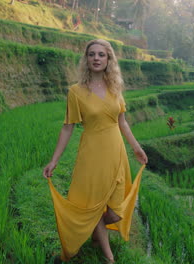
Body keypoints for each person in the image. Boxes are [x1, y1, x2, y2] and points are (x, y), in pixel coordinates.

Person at [43, 39, 148, 263]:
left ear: (109, 60)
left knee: (117, 209)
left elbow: (123, 121)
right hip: (91, 153)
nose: (96, 59)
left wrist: (136, 147)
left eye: (101, 55)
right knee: (94, 203)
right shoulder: (76, 91)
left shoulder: (115, 88)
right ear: (86, 59)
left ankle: (92, 229)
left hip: (116, 151)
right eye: (92, 54)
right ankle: (109, 257)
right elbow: (68, 126)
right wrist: (54, 160)